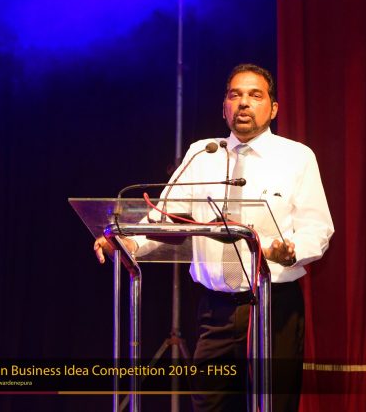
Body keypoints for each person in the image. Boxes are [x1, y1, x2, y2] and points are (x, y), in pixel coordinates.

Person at [93, 63, 334, 411]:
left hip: (272, 306)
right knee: (208, 404)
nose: (244, 103)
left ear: (273, 108)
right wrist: (129, 242)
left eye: (255, 95)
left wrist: (291, 252)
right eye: (235, 95)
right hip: (215, 311)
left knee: (272, 405)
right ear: (224, 107)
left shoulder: (297, 157)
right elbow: (166, 217)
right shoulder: (202, 153)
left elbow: (318, 228)